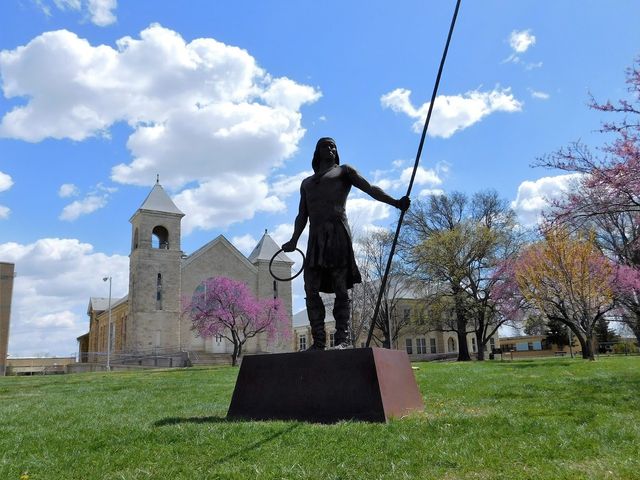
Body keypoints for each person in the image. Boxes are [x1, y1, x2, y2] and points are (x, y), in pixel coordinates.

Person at [282, 137, 410, 350]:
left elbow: (371, 189)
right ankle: (319, 341)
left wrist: (396, 202)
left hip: (338, 235)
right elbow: (301, 215)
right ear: (317, 152)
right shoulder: (306, 183)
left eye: (333, 146)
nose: (331, 149)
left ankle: (342, 339)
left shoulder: (344, 171)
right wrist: (294, 240)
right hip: (315, 240)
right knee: (310, 288)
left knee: (341, 290)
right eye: (326, 145)